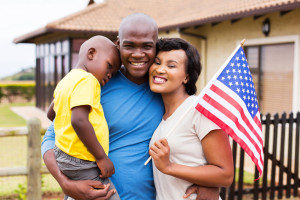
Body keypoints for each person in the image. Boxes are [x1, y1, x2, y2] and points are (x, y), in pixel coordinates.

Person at [42, 13, 220, 200]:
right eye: (129, 45)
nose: (137, 54)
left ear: (155, 46)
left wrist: (209, 184)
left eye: (146, 46)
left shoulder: (165, 90)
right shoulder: (96, 82)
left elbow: (195, 147)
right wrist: (65, 183)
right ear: (118, 44)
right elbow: (52, 136)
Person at [148, 38, 234, 200]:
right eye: (157, 62)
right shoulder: (161, 115)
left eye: (171, 65)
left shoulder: (200, 110)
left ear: (187, 77)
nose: (160, 69)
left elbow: (225, 174)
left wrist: (169, 167)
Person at [47, 35, 121, 200]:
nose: (109, 75)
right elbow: (79, 120)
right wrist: (102, 157)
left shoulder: (66, 81)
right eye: (109, 66)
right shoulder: (88, 80)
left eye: (113, 72)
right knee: (109, 195)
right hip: (81, 159)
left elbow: (51, 113)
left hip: (62, 154)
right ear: (91, 54)